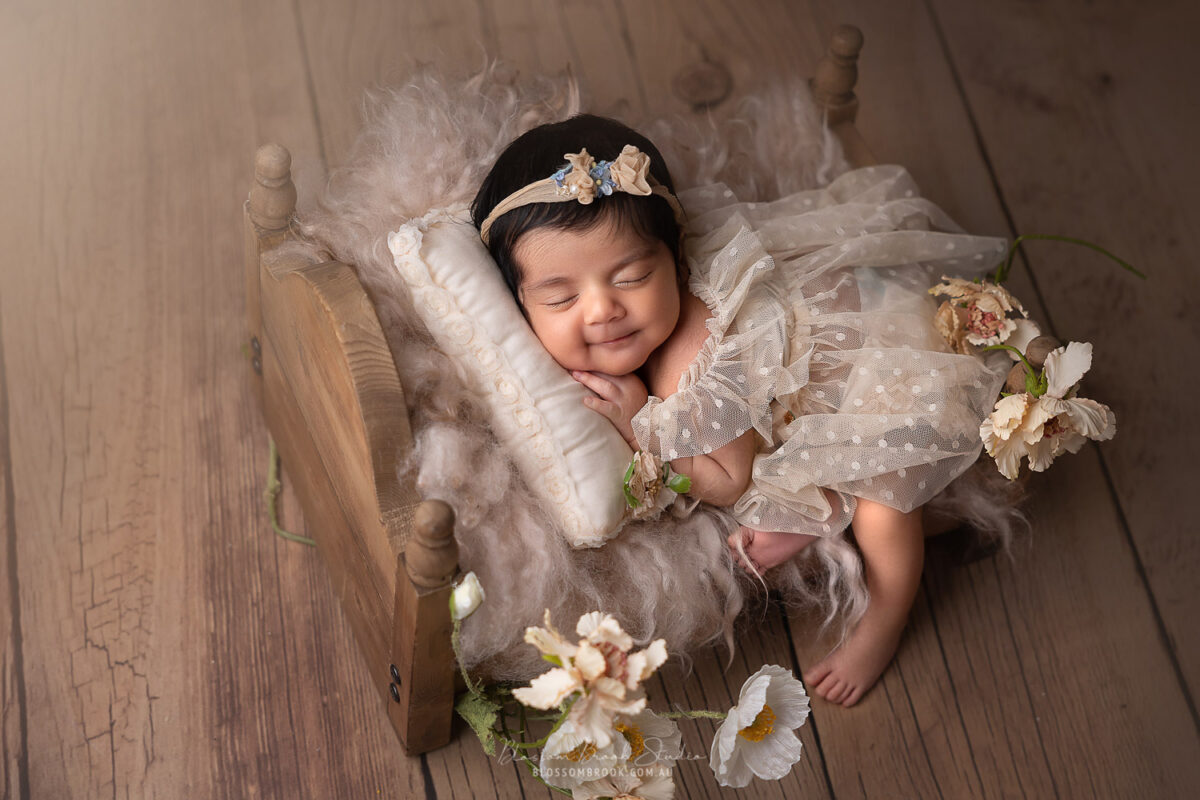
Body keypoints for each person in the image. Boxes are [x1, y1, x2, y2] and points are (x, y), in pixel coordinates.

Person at [471, 113, 1006, 707]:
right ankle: (819, 511)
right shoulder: (611, 320)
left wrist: (641, 422)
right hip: (804, 359)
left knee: (886, 500)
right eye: (561, 297)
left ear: (675, 263)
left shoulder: (689, 365)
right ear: (520, 303)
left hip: (880, 362)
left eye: (633, 276)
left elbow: (729, 482)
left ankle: (885, 614)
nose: (601, 310)